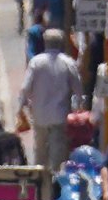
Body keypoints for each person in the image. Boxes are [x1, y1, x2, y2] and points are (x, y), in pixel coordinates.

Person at [20, 28, 78, 166]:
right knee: (58, 151)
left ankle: (40, 180)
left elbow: (25, 87)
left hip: (39, 114)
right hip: (60, 114)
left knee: (40, 150)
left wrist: (21, 106)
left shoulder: (36, 62)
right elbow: (78, 88)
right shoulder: (68, 62)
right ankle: (55, 181)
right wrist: (78, 107)